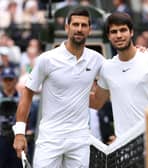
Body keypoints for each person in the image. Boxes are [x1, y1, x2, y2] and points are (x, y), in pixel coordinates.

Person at [12, 8, 104, 168]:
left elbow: (120, 67)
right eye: (75, 24)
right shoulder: (46, 59)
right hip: (50, 138)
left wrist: (138, 52)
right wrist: (20, 132)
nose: (79, 29)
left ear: (89, 30)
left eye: (83, 25)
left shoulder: (97, 60)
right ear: (67, 28)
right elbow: (27, 94)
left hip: (80, 139)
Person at [90, 12, 148, 139]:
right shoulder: (107, 68)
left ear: (131, 32)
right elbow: (97, 103)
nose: (119, 35)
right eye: (114, 32)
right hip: (123, 146)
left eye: (123, 30)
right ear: (109, 36)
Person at [0, 67, 22, 168]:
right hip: (1, 136)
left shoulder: (21, 97)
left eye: (10, 79)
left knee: (17, 164)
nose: (8, 82)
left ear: (15, 80)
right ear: (2, 80)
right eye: (5, 79)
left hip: (17, 136)